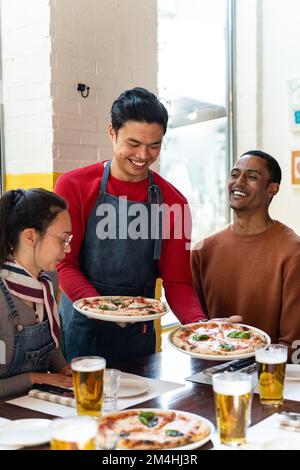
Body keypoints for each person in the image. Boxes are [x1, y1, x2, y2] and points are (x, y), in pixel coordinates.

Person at [55, 87, 206, 366]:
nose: (143, 155)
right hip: (82, 329)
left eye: (154, 145)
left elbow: (178, 283)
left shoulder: (175, 202)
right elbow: (65, 266)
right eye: (133, 143)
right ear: (111, 132)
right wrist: (105, 309)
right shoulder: (72, 186)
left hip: (139, 335)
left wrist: (201, 329)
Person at [191, 150, 300, 353]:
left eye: (251, 177)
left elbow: (293, 343)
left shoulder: (293, 252)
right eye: (234, 174)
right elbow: (196, 328)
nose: (238, 182)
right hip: (207, 372)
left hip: (269, 376)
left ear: (272, 189)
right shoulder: (202, 251)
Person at [0, 188, 73, 399]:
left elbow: (49, 341)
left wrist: (62, 369)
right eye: (62, 239)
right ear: (30, 236)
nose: (67, 249)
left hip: (38, 405)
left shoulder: (49, 280)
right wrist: (34, 378)